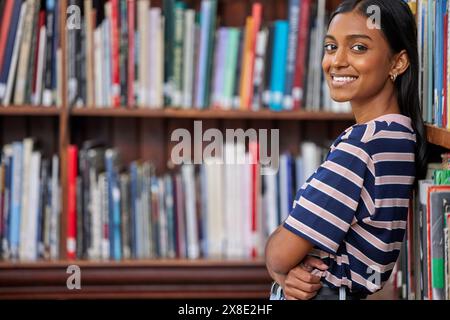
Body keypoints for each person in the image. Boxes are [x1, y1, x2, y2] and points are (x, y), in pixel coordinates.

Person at [265, 0, 428, 300]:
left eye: (358, 48)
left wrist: (278, 269)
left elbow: (280, 254)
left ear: (398, 62)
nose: (337, 61)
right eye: (330, 47)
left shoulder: (361, 146)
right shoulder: (402, 136)